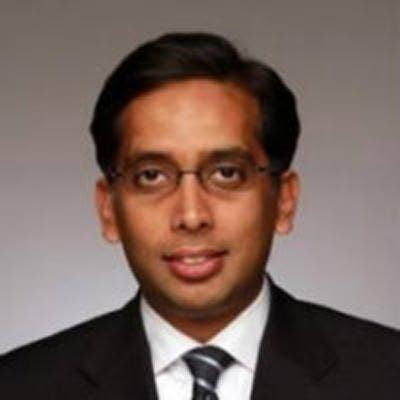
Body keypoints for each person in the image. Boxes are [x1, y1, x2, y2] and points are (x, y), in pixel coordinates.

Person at [1, 32, 399, 400]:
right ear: (108, 209)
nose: (191, 216)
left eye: (226, 173)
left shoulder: (386, 375)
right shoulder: (20, 386)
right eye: (151, 176)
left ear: (284, 200)